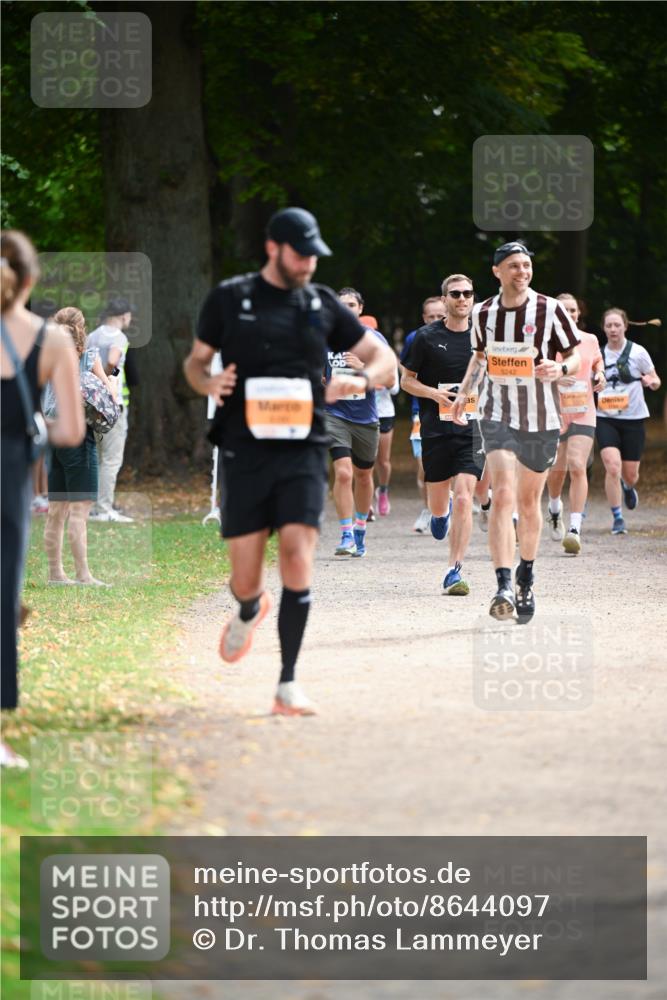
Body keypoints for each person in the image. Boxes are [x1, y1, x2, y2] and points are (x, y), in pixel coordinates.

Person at [184, 208, 395, 715]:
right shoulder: (230, 298)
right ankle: (250, 607)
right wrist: (207, 383)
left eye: (313, 257)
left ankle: (287, 683)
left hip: (302, 447)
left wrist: (362, 380)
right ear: (273, 248)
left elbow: (385, 360)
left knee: (299, 553)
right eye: (300, 255)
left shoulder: (321, 304)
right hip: (244, 445)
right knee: (246, 575)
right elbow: (194, 361)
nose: (308, 265)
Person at [452, 241, 581, 622]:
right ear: (497, 271)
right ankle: (503, 583)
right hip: (496, 411)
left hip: (541, 418)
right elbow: (479, 357)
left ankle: (526, 573)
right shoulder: (484, 313)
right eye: (513, 266)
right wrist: (464, 393)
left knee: (528, 503)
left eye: (526, 265)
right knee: (502, 492)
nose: (521, 272)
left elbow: (574, 353)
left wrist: (562, 370)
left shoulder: (551, 310)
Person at [1, 230, 84, 767]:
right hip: (9, 477)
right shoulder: (51, 341)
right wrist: (33, 426)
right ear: (30, 281)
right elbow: (71, 430)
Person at [401, 274, 481, 595]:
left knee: (464, 496)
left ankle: (454, 569)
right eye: (455, 294)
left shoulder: (483, 337)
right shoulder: (425, 337)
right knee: (440, 504)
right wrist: (435, 395)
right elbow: (407, 380)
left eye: (467, 293)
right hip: (436, 429)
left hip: (474, 430)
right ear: (445, 299)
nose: (462, 298)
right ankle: (439, 512)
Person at [43, 307, 116, 586]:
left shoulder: (47, 355)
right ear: (81, 328)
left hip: (51, 436)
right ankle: (83, 575)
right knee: (79, 511)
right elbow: (108, 392)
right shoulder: (87, 356)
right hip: (77, 434)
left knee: (56, 510)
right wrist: (109, 382)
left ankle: (56, 574)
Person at [325, 287, 392, 557]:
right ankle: (345, 533)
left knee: (364, 476)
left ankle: (360, 526)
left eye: (351, 305)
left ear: (360, 309)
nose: (347, 310)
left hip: (365, 417)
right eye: (341, 305)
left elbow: (389, 380)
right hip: (335, 414)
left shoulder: (374, 340)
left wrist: (362, 368)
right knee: (343, 472)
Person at [546, 294, 606, 554]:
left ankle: (574, 529)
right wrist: (555, 379)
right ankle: (555, 508)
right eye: (563, 310)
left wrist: (600, 374)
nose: (569, 314)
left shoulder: (590, 339)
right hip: (554, 411)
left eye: (573, 310)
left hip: (583, 410)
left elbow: (596, 361)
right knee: (557, 469)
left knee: (578, 465)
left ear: (579, 313)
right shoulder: (546, 341)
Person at [596, 307, 661, 535]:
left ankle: (628, 486)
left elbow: (656, 379)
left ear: (625, 326)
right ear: (603, 328)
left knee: (630, 474)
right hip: (605, 418)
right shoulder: (598, 354)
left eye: (617, 325)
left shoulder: (638, 352)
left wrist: (650, 382)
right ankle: (618, 517)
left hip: (633, 418)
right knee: (612, 467)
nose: (613, 329)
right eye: (608, 325)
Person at [400, 296, 447, 533]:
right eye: (431, 316)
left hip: (457, 410)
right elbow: (404, 371)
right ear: (423, 318)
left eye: (440, 315)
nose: (436, 320)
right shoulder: (415, 338)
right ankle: (428, 509)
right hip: (423, 411)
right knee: (424, 466)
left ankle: (450, 509)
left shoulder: (464, 335)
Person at [87, 297, 133, 522]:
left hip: (91, 403)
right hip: (113, 403)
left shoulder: (92, 336)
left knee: (96, 456)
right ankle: (104, 509)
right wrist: (108, 377)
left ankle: (94, 506)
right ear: (123, 316)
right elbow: (113, 361)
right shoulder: (119, 336)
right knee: (112, 459)